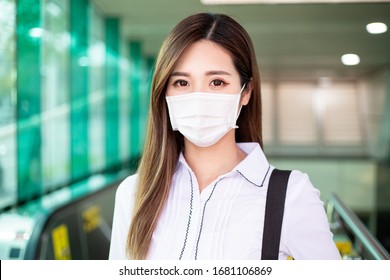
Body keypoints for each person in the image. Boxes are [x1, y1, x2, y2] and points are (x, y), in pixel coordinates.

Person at [109, 12, 341, 260]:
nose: (198, 97)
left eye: (217, 82)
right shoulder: (134, 194)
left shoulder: (290, 195)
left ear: (246, 92)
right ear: (164, 91)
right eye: (182, 83)